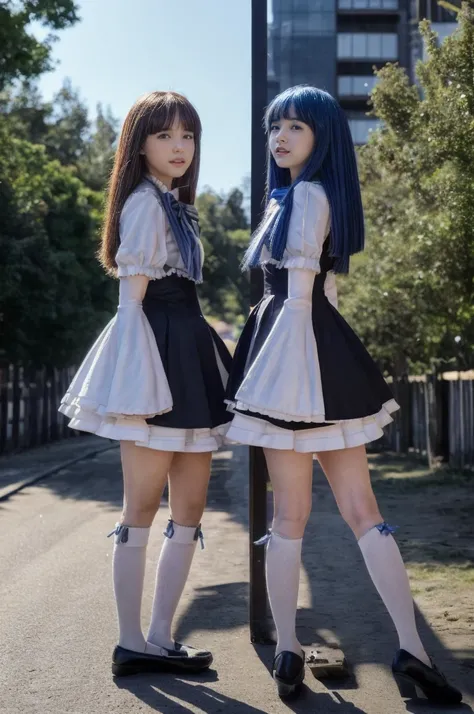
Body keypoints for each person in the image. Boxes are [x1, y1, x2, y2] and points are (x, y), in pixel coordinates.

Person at [225, 85, 462, 705]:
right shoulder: (312, 194)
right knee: (365, 514)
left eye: (296, 127)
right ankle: (412, 648)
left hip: (295, 361)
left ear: (322, 137)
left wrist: (277, 379)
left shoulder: (304, 194)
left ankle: (287, 650)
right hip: (322, 359)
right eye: (275, 127)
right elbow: (322, 296)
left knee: (290, 518)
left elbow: (301, 293)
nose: (280, 138)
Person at [60, 91, 232, 677]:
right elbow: (129, 305)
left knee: (189, 506)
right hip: (155, 356)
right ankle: (131, 639)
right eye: (165, 136)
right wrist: (137, 390)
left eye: (188, 135)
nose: (179, 146)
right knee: (140, 506)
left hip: (187, 349)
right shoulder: (142, 205)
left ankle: (160, 637)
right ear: (140, 144)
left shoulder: (173, 204)